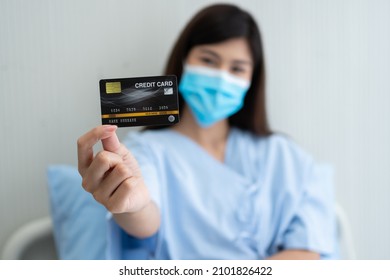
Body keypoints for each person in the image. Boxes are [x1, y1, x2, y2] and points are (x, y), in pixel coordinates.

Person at [77, 4, 336, 259]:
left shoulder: (283, 155)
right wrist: (132, 204)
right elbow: (144, 217)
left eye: (237, 68)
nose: (221, 77)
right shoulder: (147, 150)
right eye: (209, 60)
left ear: (252, 79)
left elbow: (306, 249)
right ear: (184, 60)